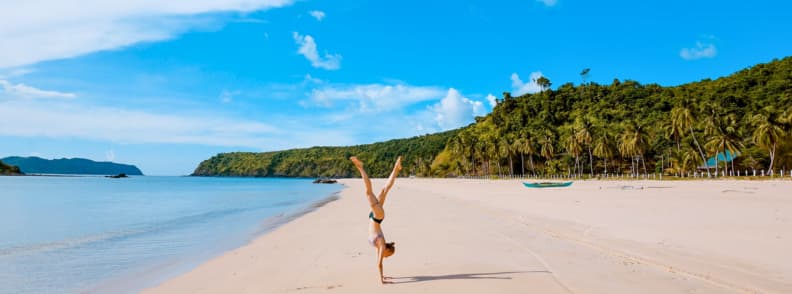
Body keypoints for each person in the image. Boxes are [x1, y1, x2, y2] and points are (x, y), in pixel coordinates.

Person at [350, 156, 401, 284]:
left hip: (376, 216)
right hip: (377, 216)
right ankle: (361, 167)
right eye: (388, 255)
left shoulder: (380, 247)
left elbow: (379, 263)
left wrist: (383, 277)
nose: (385, 257)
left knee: (384, 190)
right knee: (368, 192)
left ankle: (396, 169)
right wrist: (381, 280)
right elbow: (379, 265)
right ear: (387, 250)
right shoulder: (382, 246)